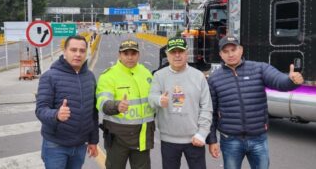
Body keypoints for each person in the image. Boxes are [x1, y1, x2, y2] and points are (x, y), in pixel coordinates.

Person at [206, 35, 304, 169]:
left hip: (258, 138)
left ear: (241, 50)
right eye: (226, 51)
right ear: (220, 55)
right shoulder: (214, 79)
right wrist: (212, 140)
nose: (230, 54)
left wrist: (291, 81)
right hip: (230, 140)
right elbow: (210, 112)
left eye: (233, 50)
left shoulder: (259, 69)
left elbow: (278, 81)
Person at [148, 37, 213, 169]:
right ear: (167, 54)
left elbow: (207, 107)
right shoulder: (159, 76)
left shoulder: (198, 76)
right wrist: (159, 100)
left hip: (194, 139)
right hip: (169, 140)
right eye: (173, 52)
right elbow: (151, 97)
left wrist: (202, 133)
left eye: (180, 51)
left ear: (187, 53)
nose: (177, 55)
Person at [35, 35, 98, 169]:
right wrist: (56, 114)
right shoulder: (50, 76)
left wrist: (93, 141)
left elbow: (92, 112)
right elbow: (41, 110)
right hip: (56, 145)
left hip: (80, 145)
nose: (78, 54)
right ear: (65, 52)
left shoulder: (90, 77)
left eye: (82, 51)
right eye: (73, 50)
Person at [96, 39, 155, 169]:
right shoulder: (108, 76)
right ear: (119, 55)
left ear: (138, 55)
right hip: (118, 139)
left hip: (142, 137)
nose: (130, 57)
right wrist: (116, 106)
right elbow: (102, 102)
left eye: (133, 53)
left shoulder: (146, 73)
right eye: (125, 53)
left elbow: (153, 99)